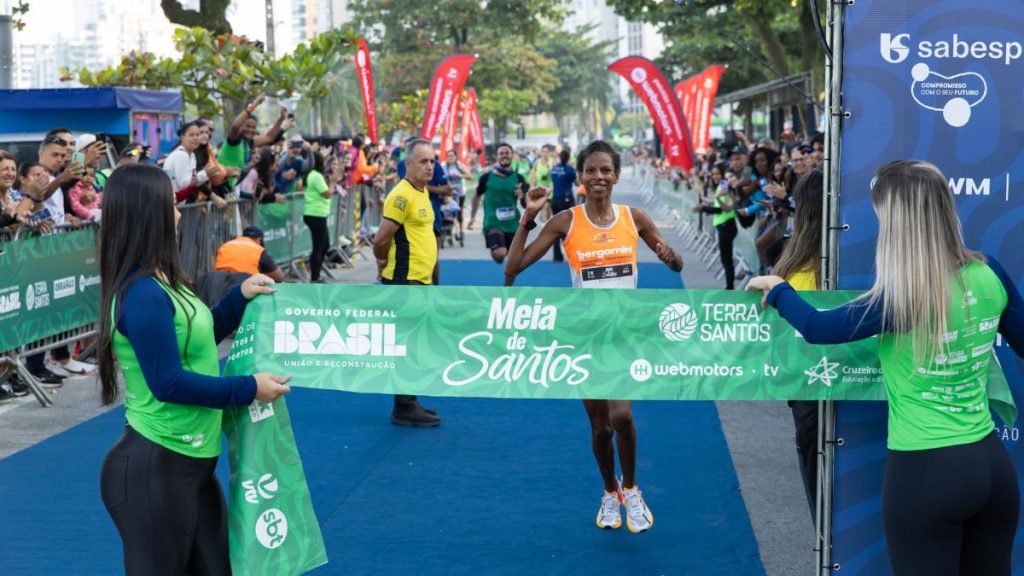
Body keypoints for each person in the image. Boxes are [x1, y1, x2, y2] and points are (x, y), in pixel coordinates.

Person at [747, 160, 1024, 575]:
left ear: (896, 224)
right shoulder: (990, 272)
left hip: (927, 473)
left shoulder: (901, 296)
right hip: (993, 469)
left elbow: (818, 328)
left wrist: (779, 288)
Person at [95, 164, 291, 575]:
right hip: (155, 469)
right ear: (147, 213)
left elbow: (196, 343)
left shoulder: (166, 281)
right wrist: (248, 388)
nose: (180, 214)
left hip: (193, 465)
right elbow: (168, 382)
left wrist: (238, 298)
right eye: (171, 205)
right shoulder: (143, 292)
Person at [505, 140, 683, 534]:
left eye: (606, 170)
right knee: (600, 428)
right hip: (585, 338)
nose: (599, 176)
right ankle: (609, 490)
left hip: (623, 335)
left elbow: (674, 261)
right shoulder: (565, 221)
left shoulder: (633, 217)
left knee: (621, 416)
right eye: (591, 170)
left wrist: (672, 259)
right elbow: (513, 267)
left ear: (616, 175)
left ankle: (633, 489)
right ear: (580, 176)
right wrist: (528, 217)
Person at [760, 169, 824, 519]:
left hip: (808, 387)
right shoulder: (792, 265)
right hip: (816, 387)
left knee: (817, 479)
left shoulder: (788, 268)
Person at [373, 138, 442, 427]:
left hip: (420, 279)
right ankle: (403, 406)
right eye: (423, 161)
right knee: (406, 342)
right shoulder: (401, 196)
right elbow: (381, 239)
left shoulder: (422, 192)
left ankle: (409, 399)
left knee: (414, 342)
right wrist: (381, 262)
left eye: (432, 161)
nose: (430, 166)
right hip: (404, 280)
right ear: (408, 164)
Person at [467, 143, 528, 269]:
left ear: (512, 155)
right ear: (497, 156)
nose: (504, 156)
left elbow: (525, 205)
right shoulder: (487, 177)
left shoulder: (519, 178)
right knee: (500, 254)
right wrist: (472, 217)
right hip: (493, 222)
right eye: (501, 153)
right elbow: (476, 196)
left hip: (513, 224)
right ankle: (499, 248)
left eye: (507, 153)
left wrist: (522, 196)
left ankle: (508, 285)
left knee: (513, 262)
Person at [692, 163, 738, 289]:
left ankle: (730, 288)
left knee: (726, 259)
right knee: (725, 259)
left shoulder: (724, 184)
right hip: (723, 226)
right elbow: (715, 201)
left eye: (717, 173)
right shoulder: (719, 186)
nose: (715, 176)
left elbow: (723, 209)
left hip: (727, 226)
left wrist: (704, 208)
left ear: (722, 174)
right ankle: (729, 287)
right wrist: (704, 204)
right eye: (713, 174)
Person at [302, 150, 333, 283]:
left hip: (315, 214)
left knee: (325, 245)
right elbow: (327, 193)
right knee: (319, 247)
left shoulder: (311, 174)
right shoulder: (316, 176)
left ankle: (315, 272)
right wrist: (334, 183)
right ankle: (315, 277)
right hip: (316, 214)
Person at [213, 226, 286, 283]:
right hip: (244, 286)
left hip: (218, 284)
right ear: (259, 240)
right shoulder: (259, 250)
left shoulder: (225, 245)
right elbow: (279, 277)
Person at [548, 148, 576, 262]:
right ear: (568, 158)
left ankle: (557, 256)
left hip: (555, 199)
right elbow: (577, 182)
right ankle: (571, 254)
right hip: (567, 200)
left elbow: (554, 180)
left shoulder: (554, 169)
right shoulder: (570, 170)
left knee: (556, 227)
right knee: (570, 228)